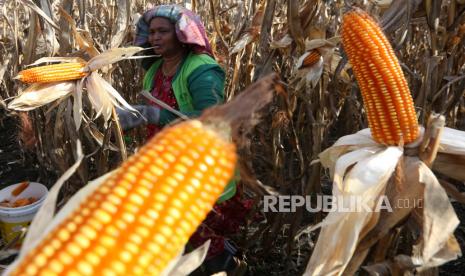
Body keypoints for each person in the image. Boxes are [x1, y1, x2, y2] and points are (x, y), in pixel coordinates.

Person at [117, 5, 251, 274]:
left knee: (199, 228)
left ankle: (230, 267)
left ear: (181, 34)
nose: (155, 38)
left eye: (163, 32)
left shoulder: (202, 69)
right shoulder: (155, 68)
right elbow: (154, 109)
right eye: (152, 32)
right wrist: (132, 117)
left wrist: (153, 114)